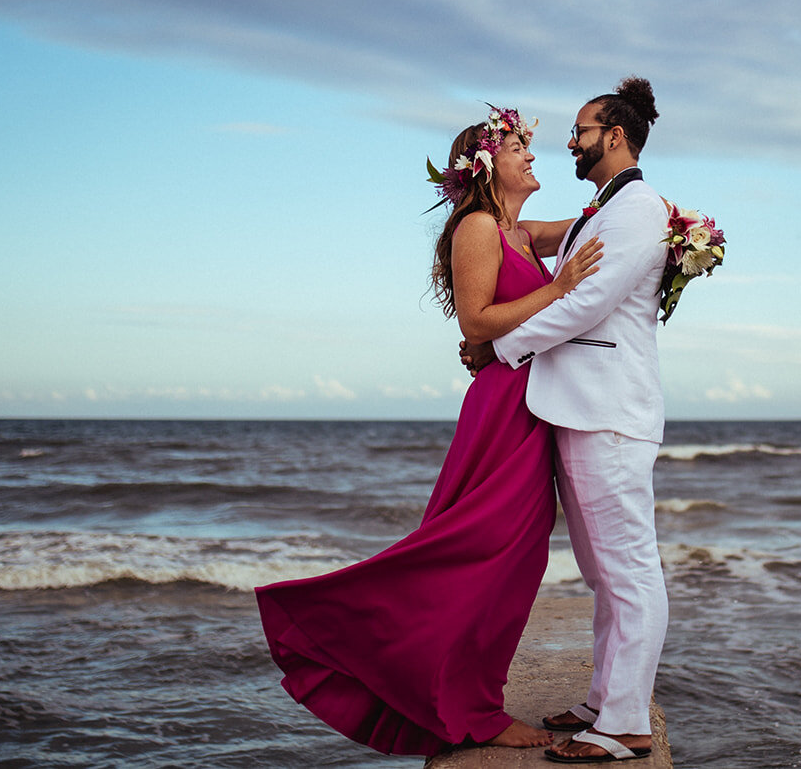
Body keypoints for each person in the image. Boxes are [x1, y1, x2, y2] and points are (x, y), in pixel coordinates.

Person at [254, 105, 602, 757]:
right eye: (520, 147)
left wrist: (659, 217)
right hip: (503, 411)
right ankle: (472, 706)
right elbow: (476, 323)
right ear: (486, 164)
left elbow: (590, 222)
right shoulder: (476, 227)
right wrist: (561, 290)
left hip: (533, 408)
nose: (533, 155)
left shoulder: (521, 232)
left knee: (517, 557)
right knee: (480, 549)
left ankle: (472, 693)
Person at [466, 77, 668, 764]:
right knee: (602, 569)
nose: (570, 143)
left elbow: (587, 304)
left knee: (629, 571)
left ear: (614, 136)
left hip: (609, 411)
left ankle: (625, 725)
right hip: (581, 408)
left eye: (580, 131)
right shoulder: (601, 210)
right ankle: (606, 699)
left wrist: (502, 345)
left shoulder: (637, 209)